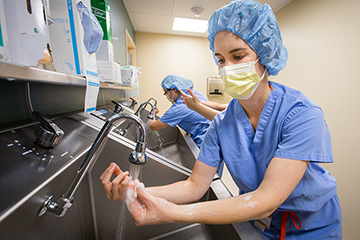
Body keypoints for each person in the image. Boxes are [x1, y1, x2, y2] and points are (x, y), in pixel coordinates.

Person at [100, 1, 342, 239]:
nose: (227, 68)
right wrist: (137, 191)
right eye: (221, 59)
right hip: (258, 225)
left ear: (265, 57)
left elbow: (266, 200)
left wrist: (172, 212)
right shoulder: (222, 124)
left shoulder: (302, 114)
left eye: (238, 56)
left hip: (313, 228)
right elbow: (195, 185)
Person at [147, 74, 211, 149]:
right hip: (215, 134)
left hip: (206, 140)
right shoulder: (192, 94)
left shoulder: (178, 109)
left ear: (174, 89)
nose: (166, 96)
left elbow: (153, 126)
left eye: (166, 92)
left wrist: (152, 114)